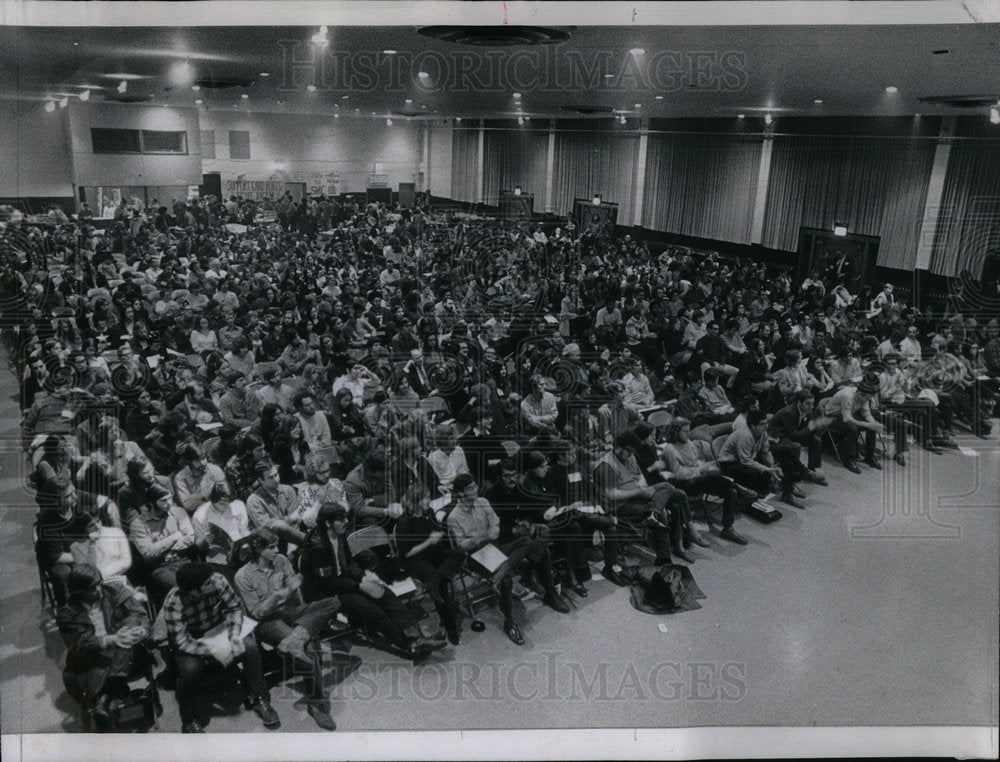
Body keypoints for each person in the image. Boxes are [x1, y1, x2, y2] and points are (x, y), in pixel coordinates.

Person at [300, 503, 446, 659]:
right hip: (327, 593)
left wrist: (363, 577)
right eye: (340, 520)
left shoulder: (339, 532)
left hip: (344, 581)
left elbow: (349, 561)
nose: (346, 522)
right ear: (328, 523)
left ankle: (417, 637)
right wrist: (360, 586)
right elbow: (328, 584)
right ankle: (408, 645)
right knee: (370, 608)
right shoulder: (317, 548)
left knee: (383, 591)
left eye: (345, 518)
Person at [232, 528, 339, 730]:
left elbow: (295, 590)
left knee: (333, 603)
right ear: (258, 550)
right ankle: (316, 705)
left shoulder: (281, 560)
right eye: (271, 547)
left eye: (276, 545)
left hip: (290, 612)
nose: (276, 550)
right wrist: (282, 593)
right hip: (267, 622)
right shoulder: (243, 576)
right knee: (309, 651)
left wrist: (301, 611)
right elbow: (257, 613)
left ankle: (299, 635)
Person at [163, 562, 280, 733]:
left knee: (250, 647)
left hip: (218, 627)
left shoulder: (216, 580)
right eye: (208, 584)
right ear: (195, 591)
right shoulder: (173, 603)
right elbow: (181, 641)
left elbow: (234, 607)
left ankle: (259, 697)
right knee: (190, 670)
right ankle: (188, 718)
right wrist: (213, 649)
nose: (214, 582)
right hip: (192, 637)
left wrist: (233, 636)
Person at [55, 565, 151, 731]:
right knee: (104, 655)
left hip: (126, 653)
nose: (98, 590)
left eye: (99, 583)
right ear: (78, 591)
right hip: (94, 657)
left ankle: (103, 698)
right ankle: (112, 694)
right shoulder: (67, 614)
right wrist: (109, 639)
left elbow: (137, 613)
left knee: (124, 644)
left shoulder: (114, 591)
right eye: (91, 588)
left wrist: (135, 629)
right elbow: (78, 645)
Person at [592, 431, 689, 563]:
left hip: (638, 494)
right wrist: (639, 492)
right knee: (667, 508)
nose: (631, 455)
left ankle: (678, 541)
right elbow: (611, 495)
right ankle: (664, 557)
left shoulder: (629, 456)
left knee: (673, 491)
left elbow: (640, 475)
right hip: (620, 505)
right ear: (618, 447)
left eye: (633, 452)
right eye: (629, 451)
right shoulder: (605, 466)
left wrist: (641, 487)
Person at [394, 484, 466, 645]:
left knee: (460, 552)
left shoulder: (429, 512)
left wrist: (441, 532)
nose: (429, 500)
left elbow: (436, 532)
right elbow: (405, 553)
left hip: (433, 554)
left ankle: (433, 583)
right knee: (442, 587)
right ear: (416, 501)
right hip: (415, 560)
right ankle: (450, 627)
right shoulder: (405, 522)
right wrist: (429, 541)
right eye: (425, 498)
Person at [661, 417, 749, 545]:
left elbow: (696, 460)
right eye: (684, 431)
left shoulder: (688, 443)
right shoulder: (670, 449)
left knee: (731, 491)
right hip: (685, 485)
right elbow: (678, 474)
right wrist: (700, 470)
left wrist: (705, 466)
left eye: (688, 431)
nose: (687, 434)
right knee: (712, 476)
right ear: (675, 432)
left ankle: (728, 528)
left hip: (701, 479)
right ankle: (741, 488)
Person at [717, 409, 804, 509]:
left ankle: (787, 492)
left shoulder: (762, 433)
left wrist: (772, 466)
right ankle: (747, 499)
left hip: (745, 458)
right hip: (729, 464)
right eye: (762, 424)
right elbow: (746, 461)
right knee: (757, 472)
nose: (766, 426)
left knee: (784, 458)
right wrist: (766, 469)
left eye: (766, 423)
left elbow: (765, 452)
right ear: (753, 426)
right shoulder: (745, 435)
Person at [128, 484, 197, 601]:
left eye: (170, 498)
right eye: (163, 500)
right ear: (151, 503)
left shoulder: (178, 512)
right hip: (159, 567)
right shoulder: (138, 524)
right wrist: (175, 536)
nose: (169, 503)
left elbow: (189, 539)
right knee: (180, 590)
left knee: (205, 581)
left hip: (183, 560)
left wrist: (160, 547)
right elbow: (148, 554)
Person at [820, 371, 890, 472]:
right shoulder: (847, 396)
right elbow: (847, 419)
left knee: (872, 427)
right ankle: (849, 459)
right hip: (832, 417)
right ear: (860, 392)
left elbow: (866, 414)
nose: (866, 400)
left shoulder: (865, 396)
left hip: (845, 415)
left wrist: (875, 424)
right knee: (853, 428)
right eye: (865, 398)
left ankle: (869, 457)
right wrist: (868, 424)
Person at [767, 389, 831, 485]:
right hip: (777, 436)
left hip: (791, 434)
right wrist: (810, 428)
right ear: (799, 403)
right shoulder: (789, 412)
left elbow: (805, 432)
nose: (811, 407)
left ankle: (810, 472)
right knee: (796, 446)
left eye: (812, 404)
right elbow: (794, 436)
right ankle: (792, 477)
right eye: (808, 404)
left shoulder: (808, 411)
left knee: (816, 440)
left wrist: (819, 426)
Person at [191, 482, 251, 569]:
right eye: (222, 504)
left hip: (240, 550)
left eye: (229, 502)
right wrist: (205, 541)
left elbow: (244, 531)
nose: (227, 506)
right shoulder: (200, 516)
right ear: (213, 500)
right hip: (217, 556)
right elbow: (199, 546)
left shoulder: (238, 505)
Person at [246, 462, 307, 545]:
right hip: (272, 544)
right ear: (261, 480)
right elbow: (268, 530)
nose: (276, 479)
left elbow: (296, 521)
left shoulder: (288, 490)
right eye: (271, 477)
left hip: (295, 538)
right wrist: (289, 519)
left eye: (276, 475)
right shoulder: (254, 501)